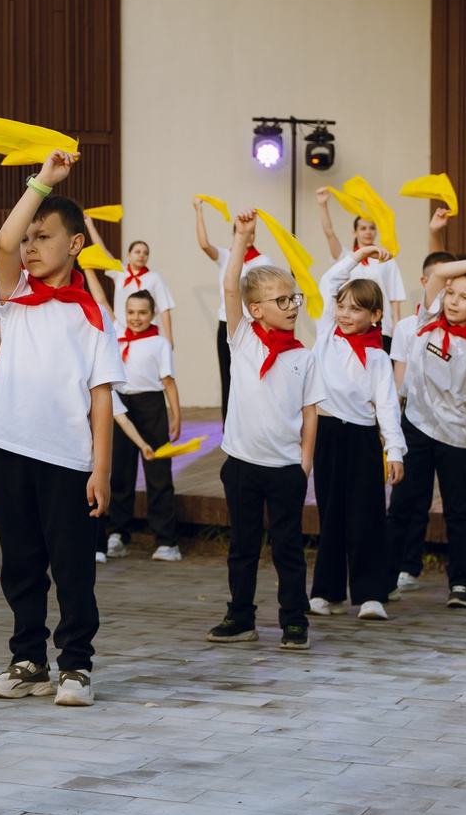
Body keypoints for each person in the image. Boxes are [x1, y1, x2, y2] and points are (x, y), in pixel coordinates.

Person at [0, 149, 122, 707]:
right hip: (9, 449)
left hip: (67, 459)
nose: (31, 246)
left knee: (72, 567)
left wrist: (102, 469)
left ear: (76, 243)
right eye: (30, 238)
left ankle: (77, 667)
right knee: (20, 562)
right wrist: (42, 181)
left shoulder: (90, 315)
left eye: (44, 237)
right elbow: (3, 244)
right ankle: (28, 660)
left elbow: (101, 395)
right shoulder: (15, 297)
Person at [205, 214, 317, 649]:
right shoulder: (243, 340)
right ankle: (241, 617)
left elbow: (310, 413)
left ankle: (294, 620)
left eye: (294, 298)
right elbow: (230, 286)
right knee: (243, 548)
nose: (292, 306)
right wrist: (240, 240)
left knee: (288, 549)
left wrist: (304, 464)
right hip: (242, 465)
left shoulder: (303, 357)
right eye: (281, 300)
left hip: (286, 467)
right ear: (256, 310)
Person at [390, 257, 466, 607]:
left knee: (457, 511)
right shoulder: (427, 319)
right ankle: (388, 575)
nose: (452, 301)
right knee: (403, 504)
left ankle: (461, 583)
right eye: (450, 293)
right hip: (416, 428)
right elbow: (437, 272)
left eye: (464, 297)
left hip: (455, 438)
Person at [307, 253, 405, 620]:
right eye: (342, 307)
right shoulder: (326, 334)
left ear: (376, 316)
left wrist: (394, 449)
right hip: (328, 434)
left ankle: (370, 594)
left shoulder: (379, 357)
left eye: (356, 309)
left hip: (364, 438)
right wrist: (359, 256)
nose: (346, 314)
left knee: (367, 513)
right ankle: (326, 593)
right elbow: (328, 282)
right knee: (331, 512)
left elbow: (387, 407)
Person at [102, 289, 183, 562]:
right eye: (131, 312)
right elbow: (101, 299)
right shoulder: (117, 333)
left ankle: (166, 541)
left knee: (158, 471)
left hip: (151, 405)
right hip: (122, 406)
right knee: (121, 470)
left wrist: (177, 415)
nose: (136, 318)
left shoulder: (159, 342)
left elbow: (169, 381)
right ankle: (118, 534)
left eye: (142, 313)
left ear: (152, 314)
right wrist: (87, 264)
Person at [194, 196, 267, 415]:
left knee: (253, 377)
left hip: (254, 327)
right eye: (241, 232)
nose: (247, 236)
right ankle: (229, 430)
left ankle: (253, 422)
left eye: (252, 233)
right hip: (227, 324)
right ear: (234, 234)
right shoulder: (226, 256)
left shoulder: (263, 261)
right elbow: (204, 244)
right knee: (228, 377)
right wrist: (198, 210)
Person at [315, 185, 406, 329]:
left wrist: (396, 328)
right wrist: (323, 204)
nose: (368, 232)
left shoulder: (386, 259)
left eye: (372, 228)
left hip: (381, 326)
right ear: (354, 232)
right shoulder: (346, 258)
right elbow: (329, 232)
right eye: (363, 228)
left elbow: (394, 297)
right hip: (351, 324)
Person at [106, 240, 174, 345]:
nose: (142, 255)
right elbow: (103, 251)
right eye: (137, 252)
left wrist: (169, 339)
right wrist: (90, 225)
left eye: (145, 253)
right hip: (122, 332)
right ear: (128, 255)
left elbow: (164, 308)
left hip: (146, 334)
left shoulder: (154, 277)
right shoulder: (120, 272)